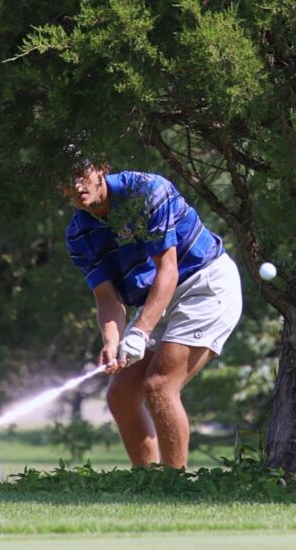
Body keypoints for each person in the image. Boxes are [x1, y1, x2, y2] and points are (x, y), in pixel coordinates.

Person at [64, 162, 243, 468]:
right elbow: (107, 298)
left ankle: (176, 488)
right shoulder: (78, 234)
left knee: (159, 385)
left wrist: (140, 331)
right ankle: (147, 481)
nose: (76, 184)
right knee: (121, 394)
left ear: (101, 168)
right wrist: (112, 341)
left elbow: (168, 270)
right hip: (157, 299)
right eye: (66, 180)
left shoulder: (146, 190)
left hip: (204, 283)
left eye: (82, 173)